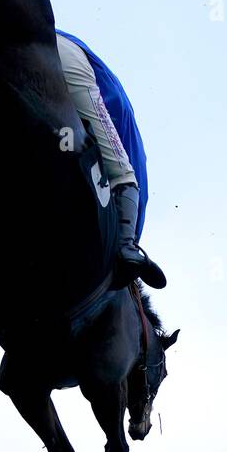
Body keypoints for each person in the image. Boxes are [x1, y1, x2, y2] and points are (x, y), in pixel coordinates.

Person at [55, 30, 167, 290]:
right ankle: (128, 248)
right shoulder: (139, 194)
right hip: (66, 57)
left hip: (59, 43)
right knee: (123, 174)